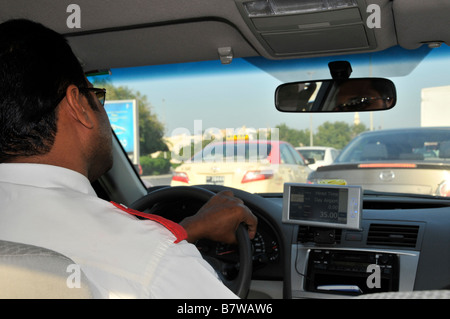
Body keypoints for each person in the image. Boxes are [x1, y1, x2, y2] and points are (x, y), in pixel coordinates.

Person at [0, 19, 257, 298]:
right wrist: (166, 246)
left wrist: (185, 231)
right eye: (95, 94)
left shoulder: (147, 255)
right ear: (77, 105)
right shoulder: (157, 260)